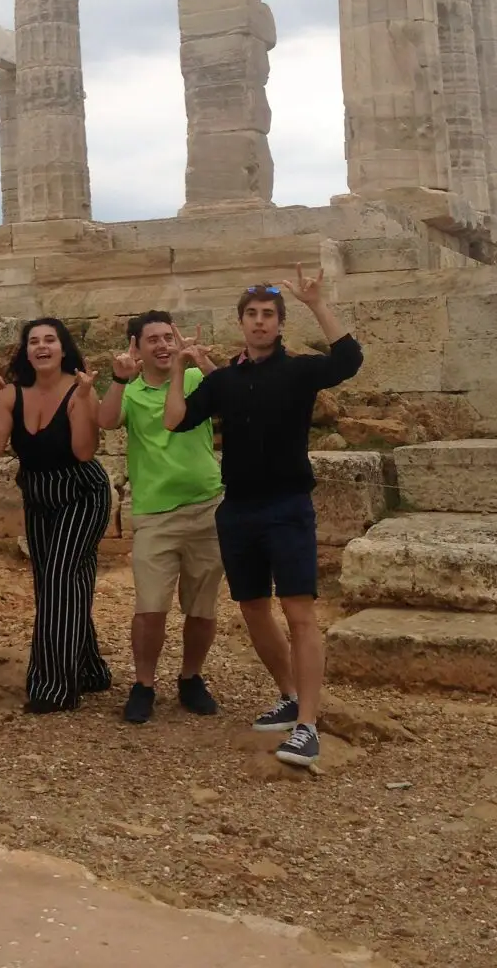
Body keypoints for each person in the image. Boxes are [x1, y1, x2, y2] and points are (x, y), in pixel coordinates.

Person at [164, 266, 363, 767]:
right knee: (253, 609)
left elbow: (349, 358)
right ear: (240, 322)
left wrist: (317, 303)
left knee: (299, 614)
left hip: (287, 507)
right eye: (251, 314)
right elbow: (176, 419)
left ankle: (307, 726)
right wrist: (178, 367)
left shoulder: (297, 370)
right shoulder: (226, 379)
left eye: (267, 315)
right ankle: (289, 693)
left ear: (278, 324)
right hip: (238, 510)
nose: (258, 323)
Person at [0, 318, 112, 713]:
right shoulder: (12, 394)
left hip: (82, 492)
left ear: (63, 347)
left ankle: (53, 687)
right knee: (59, 583)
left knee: (59, 578)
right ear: (26, 351)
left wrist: (86, 399)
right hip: (37, 494)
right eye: (34, 341)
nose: (41, 346)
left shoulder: (78, 389)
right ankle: (89, 670)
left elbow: (85, 452)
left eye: (49, 339)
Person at [98, 311, 223, 725]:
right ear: (137, 346)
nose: (163, 345)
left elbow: (233, 394)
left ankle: (190, 678)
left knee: (202, 606)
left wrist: (201, 361)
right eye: (152, 339)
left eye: (168, 337)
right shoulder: (130, 391)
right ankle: (144, 684)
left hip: (206, 505)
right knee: (150, 606)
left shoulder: (192, 380)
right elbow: (107, 421)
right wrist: (118, 378)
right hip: (153, 512)